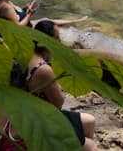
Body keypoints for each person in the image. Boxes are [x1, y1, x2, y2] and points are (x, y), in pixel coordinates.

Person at [26, 20, 99, 150]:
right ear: (47, 41)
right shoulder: (43, 69)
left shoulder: (27, 54)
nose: (59, 42)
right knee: (91, 146)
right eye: (57, 39)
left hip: (35, 112)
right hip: (42, 119)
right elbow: (58, 103)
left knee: (90, 121)